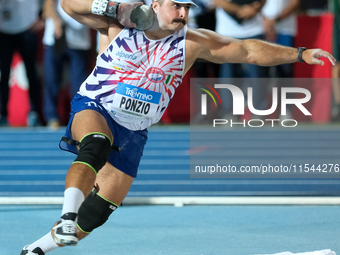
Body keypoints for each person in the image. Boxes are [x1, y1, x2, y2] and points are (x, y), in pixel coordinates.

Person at [20, 0, 336, 254]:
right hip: (96, 106)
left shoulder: (192, 43)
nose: (184, 14)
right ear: (154, 4)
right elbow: (68, 6)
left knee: (97, 213)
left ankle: (34, 250)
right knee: (96, 144)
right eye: (177, 6)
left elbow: (249, 50)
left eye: (188, 8)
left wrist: (301, 54)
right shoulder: (120, 23)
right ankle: (66, 216)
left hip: (134, 131)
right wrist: (114, 9)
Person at [42, 0, 91, 129]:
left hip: (79, 41)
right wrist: (56, 21)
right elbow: (48, 5)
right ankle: (52, 117)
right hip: (56, 38)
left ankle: (78, 117)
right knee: (52, 79)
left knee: (79, 84)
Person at [0, 0, 44, 127]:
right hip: (4, 28)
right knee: (4, 73)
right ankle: (3, 114)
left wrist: (43, 17)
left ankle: (34, 112)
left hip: (28, 26)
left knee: (31, 72)